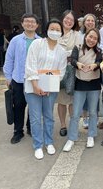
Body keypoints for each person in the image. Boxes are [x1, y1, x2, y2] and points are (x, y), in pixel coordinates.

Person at [25, 19, 67, 160]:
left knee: (49, 116)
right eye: (52, 28)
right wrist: (36, 85)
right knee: (36, 118)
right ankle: (38, 145)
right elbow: (30, 64)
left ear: (61, 32)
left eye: (57, 29)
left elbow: (61, 71)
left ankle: (49, 142)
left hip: (51, 88)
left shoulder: (61, 51)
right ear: (47, 30)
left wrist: (50, 86)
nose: (54, 31)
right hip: (33, 87)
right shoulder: (37, 44)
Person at [63, 28, 102, 151]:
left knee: (92, 112)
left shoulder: (99, 51)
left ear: (97, 41)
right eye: (90, 37)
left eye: (95, 38)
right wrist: (78, 64)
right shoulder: (78, 47)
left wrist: (95, 65)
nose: (92, 40)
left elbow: (100, 62)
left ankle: (91, 135)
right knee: (75, 113)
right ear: (86, 36)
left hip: (94, 84)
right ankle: (71, 138)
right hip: (80, 83)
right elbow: (73, 59)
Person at [3, 13, 40, 144]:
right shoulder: (16, 40)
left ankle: (30, 128)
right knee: (18, 105)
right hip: (18, 79)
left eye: (32, 22)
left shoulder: (40, 41)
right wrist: (8, 77)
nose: (30, 24)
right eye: (27, 21)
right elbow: (9, 59)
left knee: (33, 106)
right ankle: (18, 132)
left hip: (34, 80)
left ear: (37, 25)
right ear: (22, 24)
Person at [57, 10, 81, 137]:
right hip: (58, 71)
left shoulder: (77, 35)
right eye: (67, 18)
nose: (68, 21)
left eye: (71, 20)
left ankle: (73, 124)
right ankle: (62, 125)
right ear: (62, 19)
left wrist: (63, 53)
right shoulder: (55, 32)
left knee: (72, 99)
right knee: (61, 100)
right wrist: (66, 54)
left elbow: (76, 51)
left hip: (71, 71)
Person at [79, 13, 98, 128]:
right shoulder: (79, 35)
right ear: (84, 22)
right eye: (88, 20)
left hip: (94, 70)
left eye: (92, 20)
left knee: (94, 95)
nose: (90, 22)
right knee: (83, 96)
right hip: (81, 70)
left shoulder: (97, 34)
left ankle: (93, 117)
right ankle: (85, 117)